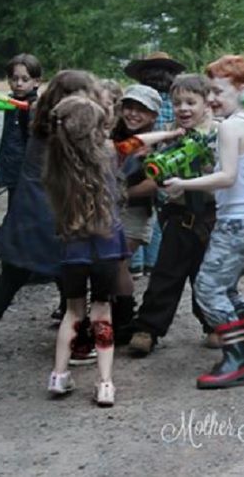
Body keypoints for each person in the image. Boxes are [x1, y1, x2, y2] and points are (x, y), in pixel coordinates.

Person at [0, 70, 98, 355]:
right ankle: (75, 331)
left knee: (11, 276)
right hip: (56, 217)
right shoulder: (71, 133)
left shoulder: (38, 124)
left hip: (25, 214)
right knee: (68, 273)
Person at [163, 56, 244, 389]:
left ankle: (237, 361)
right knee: (227, 288)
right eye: (209, 92)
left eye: (218, 92)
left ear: (241, 89)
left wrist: (183, 184)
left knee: (208, 289)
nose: (211, 99)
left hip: (238, 220)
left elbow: (227, 177)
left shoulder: (230, 126)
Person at [43, 95, 129, 407]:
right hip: (106, 248)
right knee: (102, 311)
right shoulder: (107, 154)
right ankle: (105, 383)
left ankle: (59, 374)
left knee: (73, 311)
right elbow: (136, 143)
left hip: (73, 249)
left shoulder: (56, 164)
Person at [128, 74, 219, 358]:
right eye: (177, 102)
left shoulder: (220, 132)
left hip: (212, 215)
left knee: (209, 276)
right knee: (166, 274)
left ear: (207, 104)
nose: (184, 109)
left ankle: (214, 324)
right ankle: (148, 328)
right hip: (178, 214)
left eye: (191, 102)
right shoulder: (168, 132)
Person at [109, 83, 164, 344]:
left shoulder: (157, 146)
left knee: (118, 263)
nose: (133, 114)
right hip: (108, 211)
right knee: (109, 265)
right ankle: (113, 315)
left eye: (141, 110)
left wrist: (118, 194)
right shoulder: (113, 135)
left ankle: (123, 321)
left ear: (153, 115)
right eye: (129, 107)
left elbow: (155, 183)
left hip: (135, 213)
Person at [125, 52, 185, 277]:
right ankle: (153, 261)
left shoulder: (140, 101)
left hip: (141, 157)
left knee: (140, 208)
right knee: (159, 213)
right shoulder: (174, 101)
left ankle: (135, 263)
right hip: (170, 160)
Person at [0, 54, 42, 206]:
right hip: (12, 171)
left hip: (30, 174)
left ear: (36, 82)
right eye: (14, 79)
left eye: (25, 79)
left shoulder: (37, 107)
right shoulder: (10, 104)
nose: (19, 84)